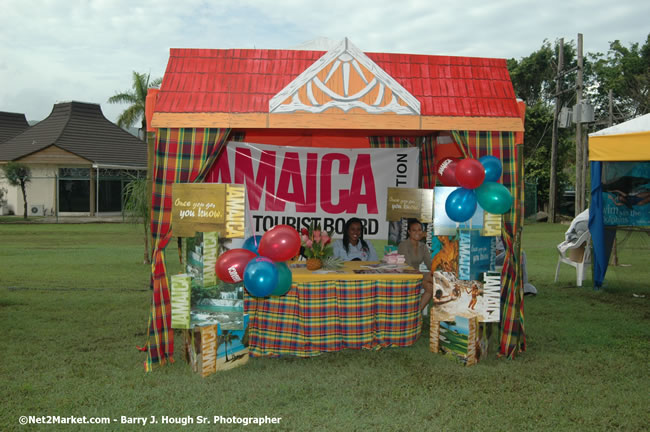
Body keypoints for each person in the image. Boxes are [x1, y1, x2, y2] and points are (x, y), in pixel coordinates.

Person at [397, 219, 434, 311]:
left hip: (418, 275)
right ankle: (416, 314)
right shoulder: (403, 245)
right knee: (432, 282)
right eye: (414, 230)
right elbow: (408, 267)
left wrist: (438, 270)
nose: (418, 232)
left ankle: (417, 312)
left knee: (434, 280)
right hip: (406, 276)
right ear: (409, 232)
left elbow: (430, 265)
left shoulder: (423, 246)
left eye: (420, 230)